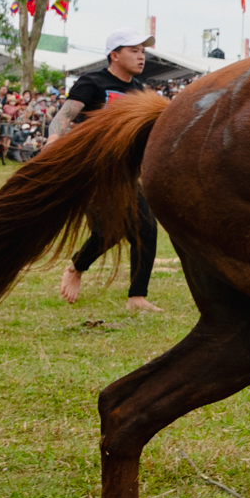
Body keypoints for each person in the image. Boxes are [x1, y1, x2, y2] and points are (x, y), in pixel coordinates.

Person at [50, 29, 163, 314]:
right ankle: (76, 267)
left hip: (125, 174)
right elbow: (64, 116)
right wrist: (52, 142)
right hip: (92, 169)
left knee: (147, 228)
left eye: (143, 51)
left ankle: (137, 297)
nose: (141, 56)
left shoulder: (140, 90)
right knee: (108, 231)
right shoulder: (92, 82)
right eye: (134, 50)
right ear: (115, 55)